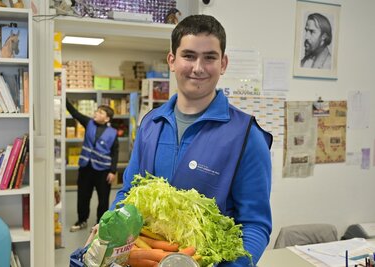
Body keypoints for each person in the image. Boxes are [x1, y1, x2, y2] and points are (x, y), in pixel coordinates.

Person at [111, 14, 272, 266]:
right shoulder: (151, 124)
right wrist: (110, 228)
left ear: (223, 63)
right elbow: (128, 193)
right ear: (172, 61)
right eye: (189, 56)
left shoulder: (247, 136)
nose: (198, 67)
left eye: (209, 57)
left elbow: (255, 225)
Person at [67, 100, 119, 232]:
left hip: (103, 171)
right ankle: (81, 220)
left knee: (103, 199)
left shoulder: (113, 133)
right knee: (83, 195)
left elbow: (115, 152)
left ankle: (99, 224)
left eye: (100, 112)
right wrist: (65, 99)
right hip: (86, 168)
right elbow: (75, 113)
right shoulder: (88, 123)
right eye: (97, 111)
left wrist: (112, 171)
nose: (96, 113)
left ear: (107, 118)